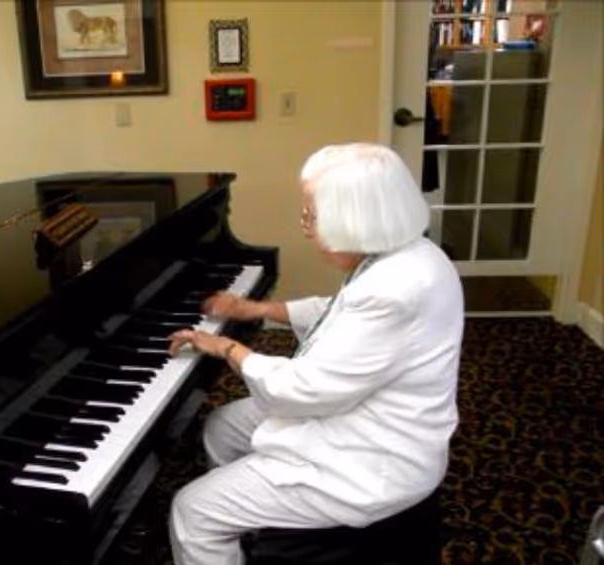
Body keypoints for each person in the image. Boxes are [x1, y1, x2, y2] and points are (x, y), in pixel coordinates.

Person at [166, 142, 464, 565]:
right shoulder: (408, 253)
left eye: (313, 213)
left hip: (372, 461)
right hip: (360, 408)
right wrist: (254, 309)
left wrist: (226, 346)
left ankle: (233, 524)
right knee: (221, 426)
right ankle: (256, 525)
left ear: (357, 216)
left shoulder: (397, 290)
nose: (305, 226)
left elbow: (299, 390)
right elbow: (337, 312)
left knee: (192, 510)